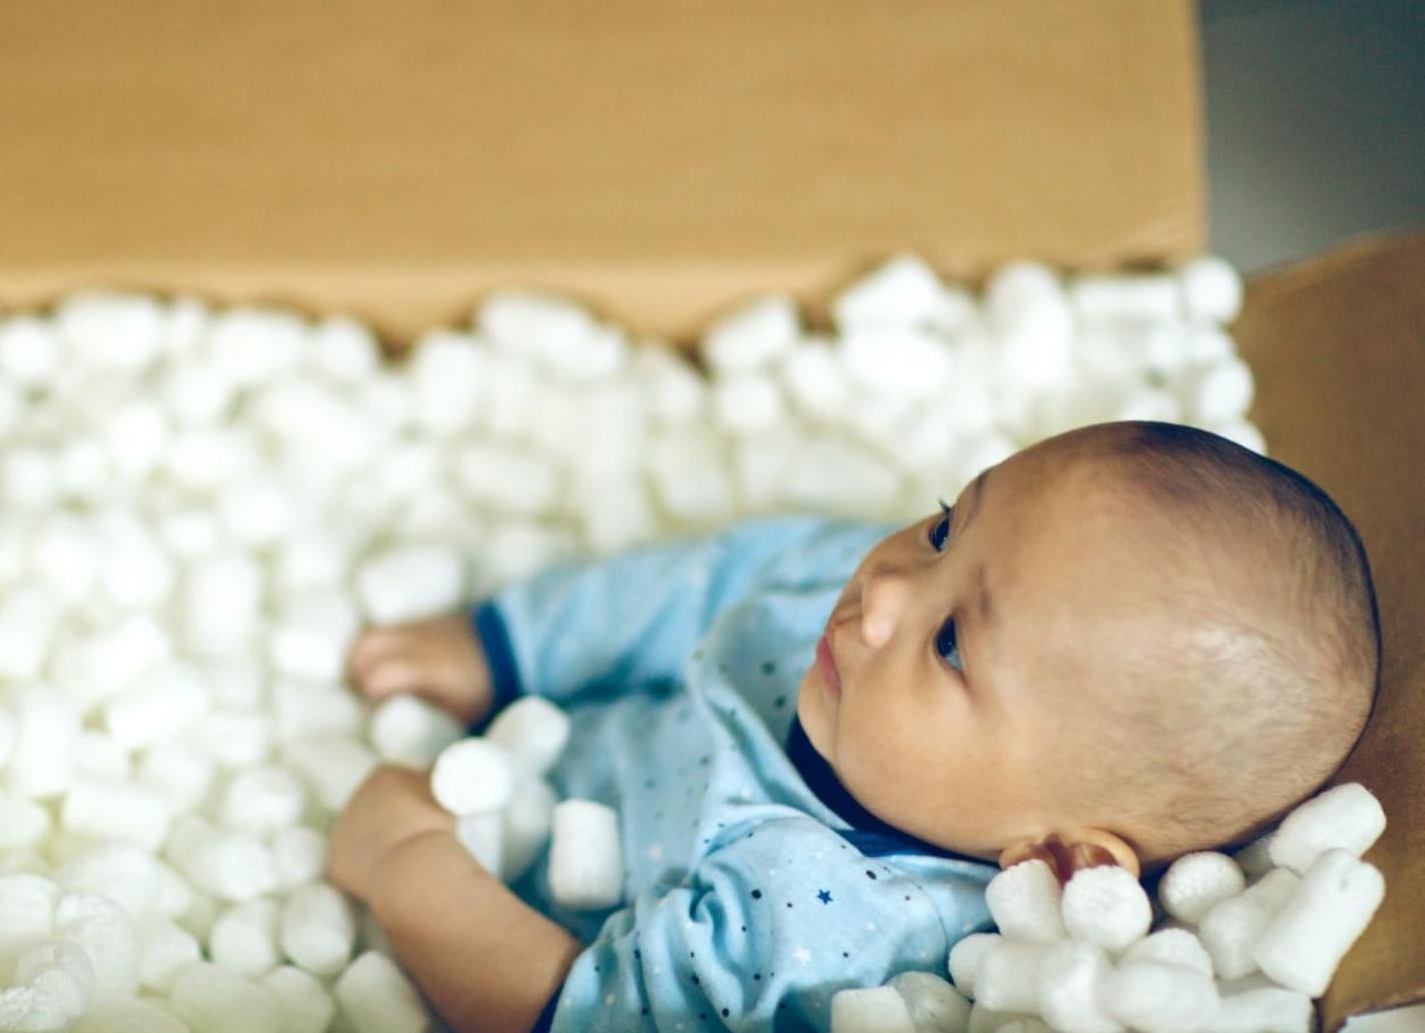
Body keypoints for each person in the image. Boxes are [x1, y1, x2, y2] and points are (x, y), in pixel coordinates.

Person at [327, 420, 1380, 1032]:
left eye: (955, 643)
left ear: (1059, 858)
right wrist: (504, 645)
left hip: (489, 880)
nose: (883, 589)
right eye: (944, 523)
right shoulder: (843, 620)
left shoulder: (822, 918)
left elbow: (585, 1007)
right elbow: (702, 582)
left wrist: (412, 867)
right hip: (520, 752)